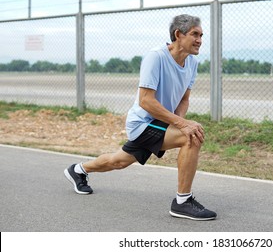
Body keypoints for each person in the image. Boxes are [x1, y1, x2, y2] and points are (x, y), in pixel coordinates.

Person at [64, 14, 217, 221]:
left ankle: (78, 170)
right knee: (192, 136)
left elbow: (184, 99)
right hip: (143, 123)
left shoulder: (192, 63)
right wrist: (182, 126)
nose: (200, 40)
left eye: (201, 35)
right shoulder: (156, 57)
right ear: (178, 35)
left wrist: (179, 123)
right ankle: (182, 202)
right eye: (195, 34)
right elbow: (146, 101)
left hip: (162, 123)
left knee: (118, 162)